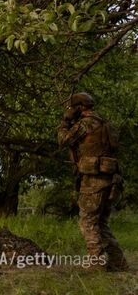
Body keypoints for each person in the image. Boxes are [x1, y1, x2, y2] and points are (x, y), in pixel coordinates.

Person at [58, 93, 128, 271]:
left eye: (73, 107)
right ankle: (118, 262)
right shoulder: (105, 123)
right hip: (111, 178)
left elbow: (63, 140)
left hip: (94, 179)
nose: (71, 110)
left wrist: (65, 122)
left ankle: (96, 263)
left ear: (80, 107)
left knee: (87, 221)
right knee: (101, 222)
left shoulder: (86, 124)